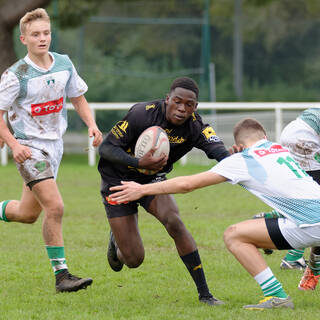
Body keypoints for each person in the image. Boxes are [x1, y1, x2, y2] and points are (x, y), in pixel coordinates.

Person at [110, 117, 320, 310]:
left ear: (239, 142)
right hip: (313, 216)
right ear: (264, 136)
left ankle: (276, 296)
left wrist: (142, 189)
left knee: (233, 235)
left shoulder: (241, 161)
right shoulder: (279, 149)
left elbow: (187, 184)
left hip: (311, 225)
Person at [98, 77, 231, 306]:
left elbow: (218, 150)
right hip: (117, 181)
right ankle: (117, 243)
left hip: (152, 181)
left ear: (195, 107)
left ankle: (205, 294)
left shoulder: (195, 126)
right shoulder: (141, 114)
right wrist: (139, 162)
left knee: (174, 222)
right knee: (133, 259)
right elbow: (106, 147)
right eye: (177, 102)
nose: (182, 108)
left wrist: (233, 158)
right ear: (167, 99)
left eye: (189, 105)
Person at [0, 8, 102, 292]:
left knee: (27, 213)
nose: (42, 38)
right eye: (35, 34)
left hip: (54, 147)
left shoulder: (64, 64)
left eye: (46, 33)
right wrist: (14, 145)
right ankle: (62, 276)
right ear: (24, 39)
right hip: (29, 149)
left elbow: (78, 99)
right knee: (55, 207)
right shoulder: (15, 75)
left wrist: (92, 124)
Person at [254, 108, 320, 289]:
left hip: (296, 133)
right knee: (317, 212)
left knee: (315, 211)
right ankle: (275, 218)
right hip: (306, 138)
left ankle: (297, 261)